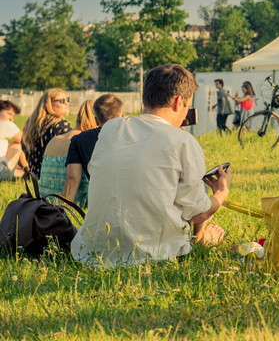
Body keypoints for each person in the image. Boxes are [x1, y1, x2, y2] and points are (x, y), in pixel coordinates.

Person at [72, 64, 230, 267]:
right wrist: (222, 193)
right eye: (186, 107)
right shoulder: (183, 141)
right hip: (153, 255)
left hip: (91, 251)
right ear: (179, 101)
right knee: (197, 215)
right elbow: (195, 213)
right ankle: (205, 239)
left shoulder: (111, 128)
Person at [62, 94, 124, 205]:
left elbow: (72, 179)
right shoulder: (133, 134)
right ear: (123, 116)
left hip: (99, 204)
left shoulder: (78, 140)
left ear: (95, 120)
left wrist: (60, 213)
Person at [37, 99, 99, 204]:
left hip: (44, 203)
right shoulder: (84, 142)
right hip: (71, 204)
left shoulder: (53, 141)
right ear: (97, 120)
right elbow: (73, 178)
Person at [21, 89, 73, 177]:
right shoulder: (61, 125)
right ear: (48, 105)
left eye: (67, 99)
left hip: (34, 176)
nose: (67, 103)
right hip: (53, 176)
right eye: (62, 101)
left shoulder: (30, 125)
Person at [0, 100, 28, 180]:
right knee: (17, 145)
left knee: (9, 146)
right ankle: (28, 170)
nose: (11, 119)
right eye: (9, 114)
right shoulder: (4, 123)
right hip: (1, 173)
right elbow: (24, 140)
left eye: (13, 116)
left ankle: (26, 172)